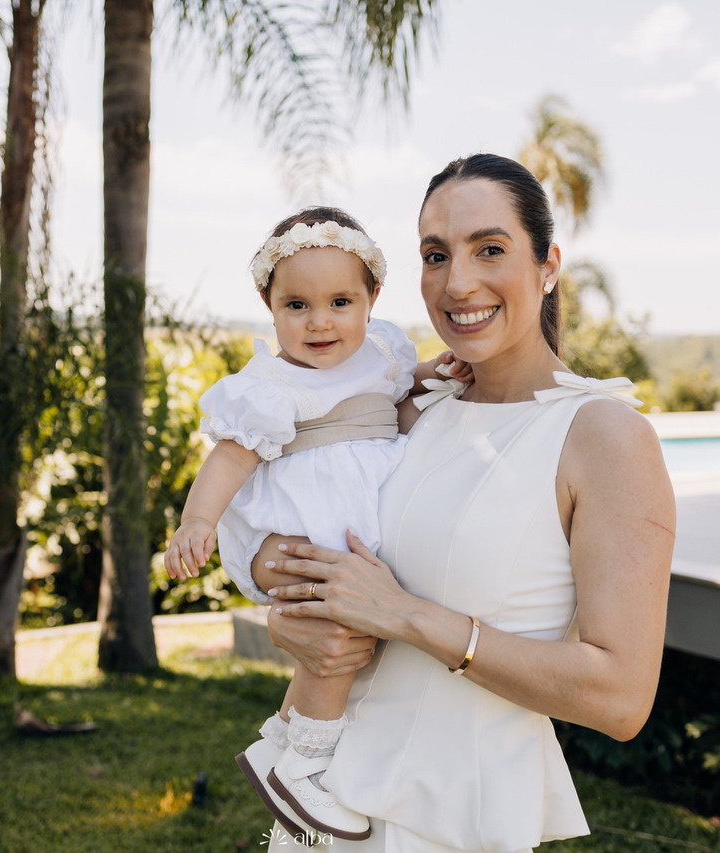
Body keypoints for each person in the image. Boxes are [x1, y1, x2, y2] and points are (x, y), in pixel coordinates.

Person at [250, 154, 677, 852]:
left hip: (454, 817)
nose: (458, 282)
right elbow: (293, 506)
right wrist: (282, 595)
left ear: (547, 265)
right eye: (435, 254)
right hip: (328, 802)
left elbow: (621, 696)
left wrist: (409, 615)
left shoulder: (604, 435)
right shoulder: (415, 408)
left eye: (490, 249)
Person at [164, 206, 472, 842]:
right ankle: (305, 766)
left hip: (361, 536)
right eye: (297, 305)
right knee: (336, 643)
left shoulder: (382, 354)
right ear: (269, 305)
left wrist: (437, 373)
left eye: (339, 301)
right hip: (317, 537)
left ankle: (281, 741)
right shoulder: (269, 386)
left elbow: (399, 389)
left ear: (371, 300)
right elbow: (228, 459)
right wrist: (197, 521)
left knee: (358, 638)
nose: (320, 321)